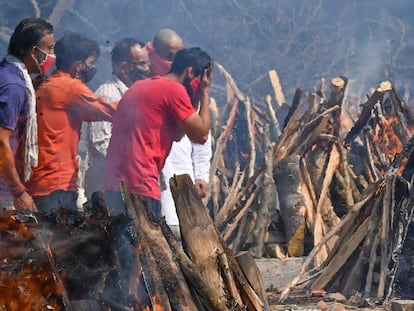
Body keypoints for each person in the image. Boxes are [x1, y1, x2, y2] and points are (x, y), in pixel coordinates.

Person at [104, 47, 213, 220]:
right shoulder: (173, 90)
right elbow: (201, 135)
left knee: (119, 244)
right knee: (142, 245)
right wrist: (205, 93)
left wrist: (193, 100)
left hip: (114, 184)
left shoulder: (140, 86)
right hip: (140, 184)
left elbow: (177, 135)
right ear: (191, 71)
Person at [24, 31, 118, 213]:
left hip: (37, 181)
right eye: (90, 64)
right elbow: (110, 111)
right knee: (60, 239)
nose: (92, 69)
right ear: (78, 65)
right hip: (57, 183)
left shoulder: (47, 85)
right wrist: (141, 99)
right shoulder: (71, 88)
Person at [146, 29, 212, 237]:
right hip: (155, 181)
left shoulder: (189, 93)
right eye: (168, 56)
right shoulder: (145, 88)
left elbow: (201, 140)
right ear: (152, 52)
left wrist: (201, 175)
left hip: (185, 180)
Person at [83, 38, 150, 199]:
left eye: (148, 63)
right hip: (108, 193)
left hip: (132, 189)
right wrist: (136, 162)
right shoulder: (107, 94)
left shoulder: (139, 94)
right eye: (141, 64)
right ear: (124, 67)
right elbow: (101, 143)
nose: (147, 69)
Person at [0, 18, 55, 212]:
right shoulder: (13, 86)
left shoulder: (8, 74)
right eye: (49, 49)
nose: (52, 55)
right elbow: (1, 142)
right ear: (34, 52)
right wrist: (18, 192)